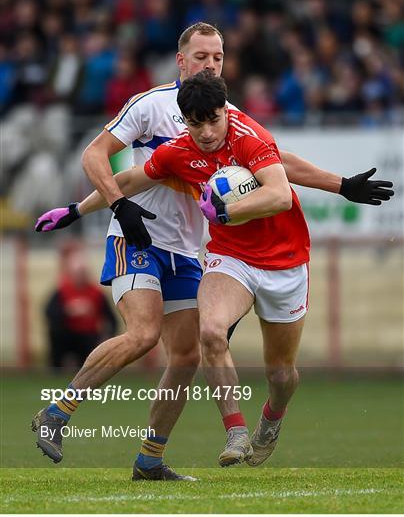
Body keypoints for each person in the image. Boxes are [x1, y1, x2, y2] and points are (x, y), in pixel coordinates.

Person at [33, 24, 394, 478]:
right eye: (201, 57)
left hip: (187, 247)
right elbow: (110, 164)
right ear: (181, 61)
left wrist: (340, 184)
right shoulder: (152, 106)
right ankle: (58, 411)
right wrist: (82, 209)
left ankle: (149, 461)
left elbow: (278, 164)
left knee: (188, 357)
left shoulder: (231, 116)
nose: (210, 64)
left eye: (218, 58)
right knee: (145, 335)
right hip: (137, 234)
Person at [45, 241, 117, 370]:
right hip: (67, 334)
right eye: (77, 273)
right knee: (55, 334)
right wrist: (68, 311)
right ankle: (55, 371)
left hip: (88, 336)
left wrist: (107, 338)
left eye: (83, 273)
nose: (80, 276)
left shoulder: (96, 293)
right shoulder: (62, 290)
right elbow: (49, 313)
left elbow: (111, 320)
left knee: (91, 345)